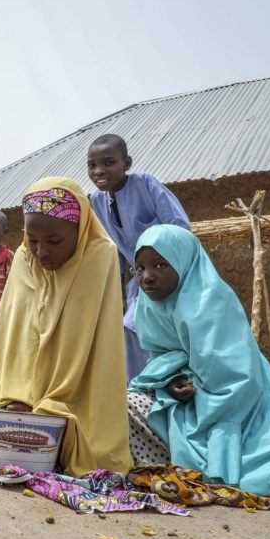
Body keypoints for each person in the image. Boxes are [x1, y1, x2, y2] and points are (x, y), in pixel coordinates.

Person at [127, 225, 270, 506]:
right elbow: (163, 359)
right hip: (184, 408)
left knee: (267, 478)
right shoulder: (149, 306)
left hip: (235, 412)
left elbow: (235, 382)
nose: (147, 277)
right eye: (139, 268)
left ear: (184, 263)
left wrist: (191, 387)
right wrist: (172, 381)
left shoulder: (209, 303)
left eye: (160, 264)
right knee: (122, 406)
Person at [0, 178, 133, 476]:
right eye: (32, 240)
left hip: (76, 398)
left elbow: (84, 345)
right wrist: (18, 396)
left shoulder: (99, 256)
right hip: (18, 398)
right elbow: (16, 338)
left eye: (54, 241)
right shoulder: (24, 258)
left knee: (83, 446)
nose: (41, 252)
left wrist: (50, 404)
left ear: (80, 230)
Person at [87, 134, 189, 381]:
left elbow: (179, 228)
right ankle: (141, 397)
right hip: (138, 286)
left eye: (109, 162)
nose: (99, 170)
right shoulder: (97, 202)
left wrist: (165, 268)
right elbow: (111, 250)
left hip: (170, 278)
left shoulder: (145, 184)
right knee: (133, 333)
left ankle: (163, 388)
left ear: (127, 163)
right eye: (92, 165)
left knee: (158, 335)